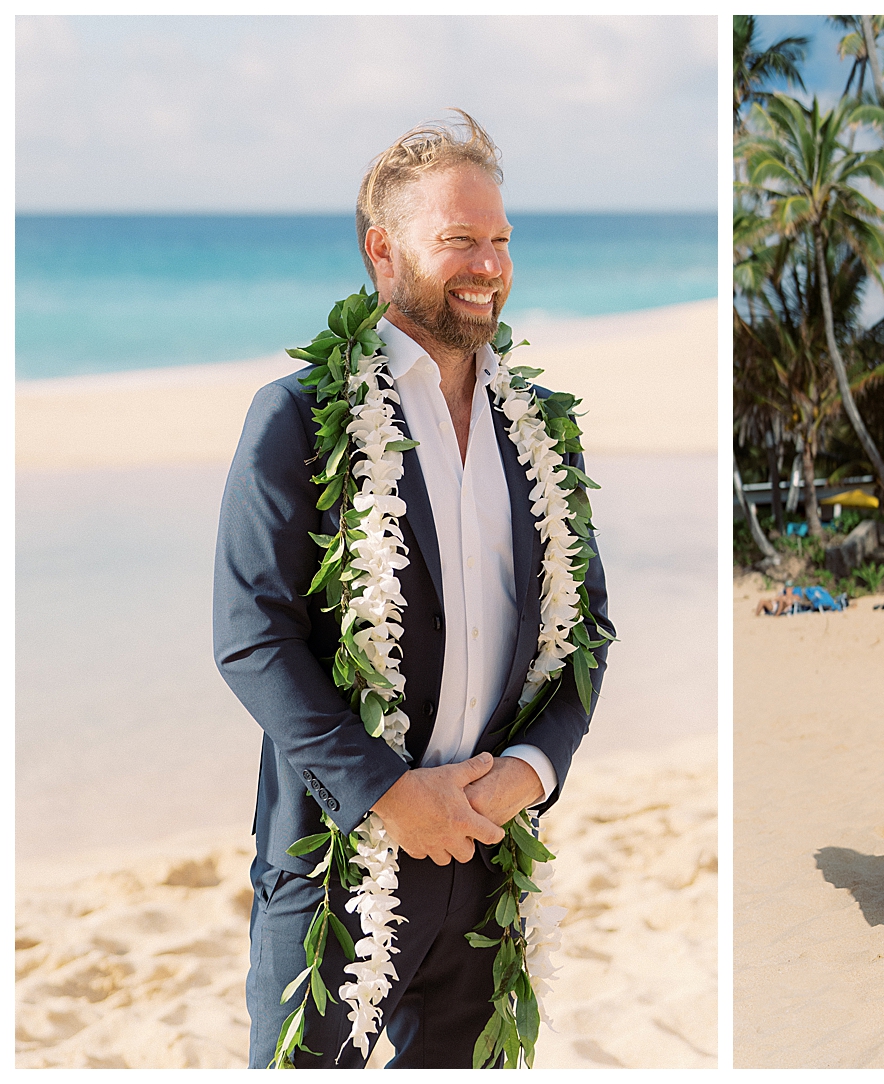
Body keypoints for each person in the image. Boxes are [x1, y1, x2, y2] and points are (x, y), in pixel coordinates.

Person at [214, 112, 611, 1068]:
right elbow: (251, 638)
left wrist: (529, 774)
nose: (490, 265)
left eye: (502, 239)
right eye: (460, 240)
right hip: (336, 864)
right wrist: (387, 795)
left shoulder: (541, 431)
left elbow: (588, 631)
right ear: (383, 252)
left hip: (489, 855)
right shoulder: (299, 418)